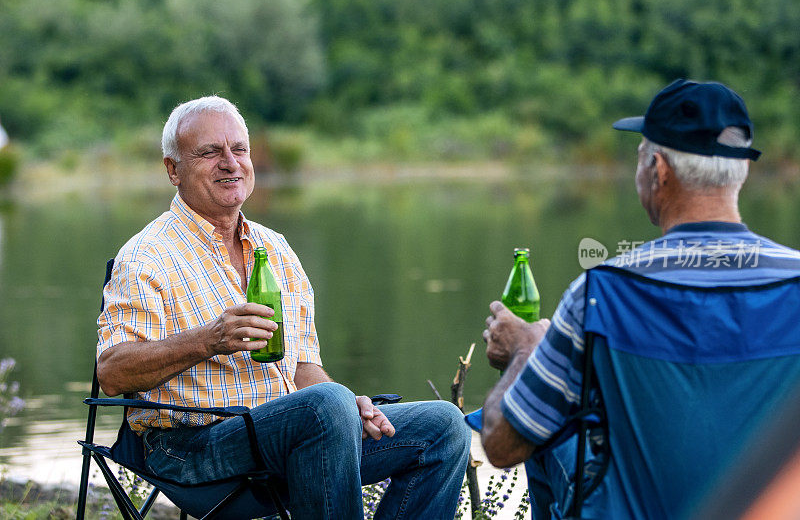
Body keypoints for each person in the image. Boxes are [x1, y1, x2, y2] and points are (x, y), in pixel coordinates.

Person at [97, 95, 471, 519]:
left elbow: (301, 367)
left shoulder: (276, 249)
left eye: (239, 149)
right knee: (325, 407)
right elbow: (112, 372)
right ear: (172, 170)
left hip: (293, 435)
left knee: (444, 426)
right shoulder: (147, 256)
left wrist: (348, 406)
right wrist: (208, 340)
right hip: (190, 449)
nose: (230, 162)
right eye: (209, 152)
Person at [479, 79, 800, 518]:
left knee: (545, 426)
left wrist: (526, 350)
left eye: (639, 156)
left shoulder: (601, 293)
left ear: (659, 169)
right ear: (739, 171)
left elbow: (501, 444)